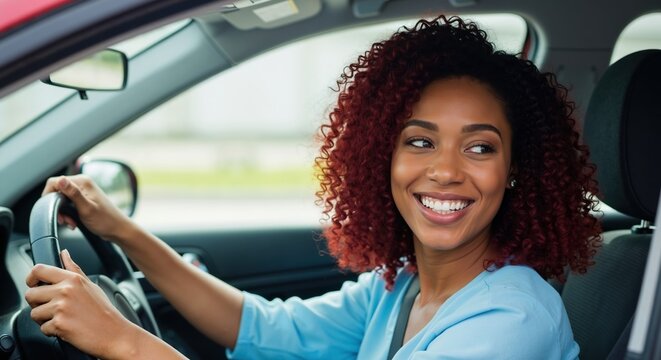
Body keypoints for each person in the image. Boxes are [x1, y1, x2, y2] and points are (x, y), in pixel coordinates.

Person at [25, 16, 601, 359]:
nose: (446, 171)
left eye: (479, 147)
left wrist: (124, 342)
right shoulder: (402, 288)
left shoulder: (513, 321)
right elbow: (262, 328)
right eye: (420, 141)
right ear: (384, 156)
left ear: (516, 169)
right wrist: (125, 233)